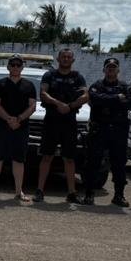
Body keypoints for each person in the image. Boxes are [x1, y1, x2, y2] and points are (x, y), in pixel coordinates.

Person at [36, 47, 89, 203]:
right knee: (47, 156)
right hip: (51, 120)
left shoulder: (78, 77)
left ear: (72, 60)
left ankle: (71, 193)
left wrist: (70, 106)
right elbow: (43, 93)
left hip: (69, 121)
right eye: (63, 57)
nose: (66, 59)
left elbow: (86, 95)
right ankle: (39, 191)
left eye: (68, 57)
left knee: (69, 158)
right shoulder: (49, 75)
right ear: (58, 59)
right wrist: (58, 103)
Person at [83, 57, 131, 206]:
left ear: (118, 70)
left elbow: (130, 103)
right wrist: (117, 99)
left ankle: (119, 195)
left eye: (114, 67)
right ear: (104, 69)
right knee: (93, 163)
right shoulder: (96, 85)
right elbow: (95, 99)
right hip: (99, 130)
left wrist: (108, 100)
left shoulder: (125, 87)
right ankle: (89, 194)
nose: (111, 69)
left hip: (118, 132)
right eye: (108, 67)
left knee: (119, 164)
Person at [0, 55, 38, 201]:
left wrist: (19, 119)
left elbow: (32, 106)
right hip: (3, 126)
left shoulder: (29, 85)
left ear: (22, 67)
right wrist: (9, 119)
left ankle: (18, 192)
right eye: (13, 64)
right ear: (8, 67)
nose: (15, 67)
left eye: (18, 65)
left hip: (22, 127)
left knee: (19, 160)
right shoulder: (0, 84)